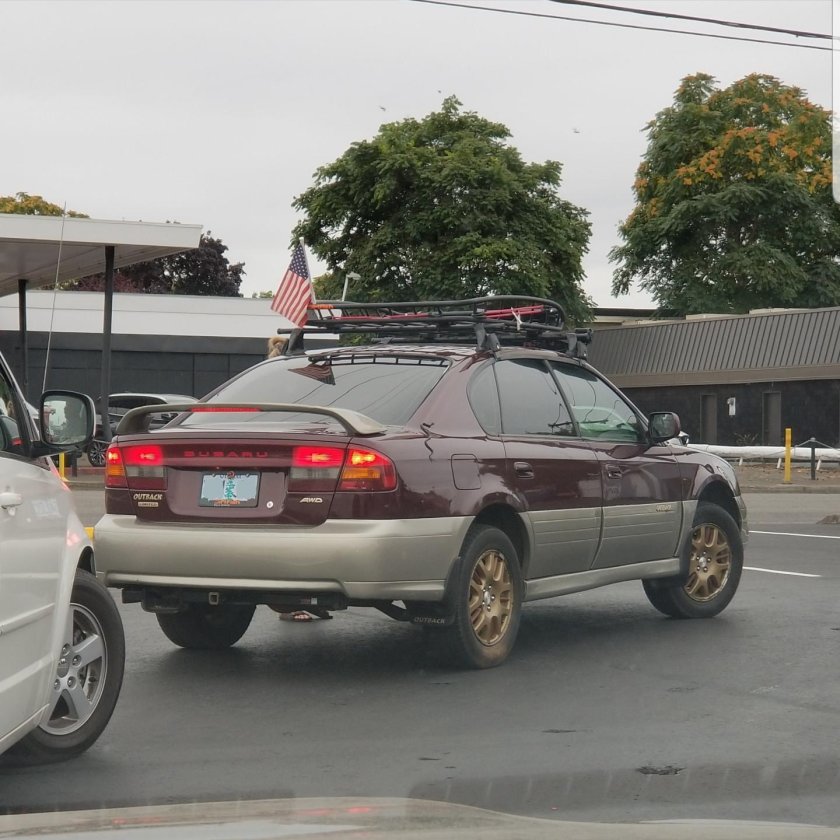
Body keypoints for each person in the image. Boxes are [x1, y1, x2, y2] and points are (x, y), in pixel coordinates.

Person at [267, 335, 332, 622]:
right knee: (298, 527)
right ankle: (294, 601)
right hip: (297, 458)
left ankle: (293, 601)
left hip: (270, 459)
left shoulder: (268, 376)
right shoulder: (302, 379)